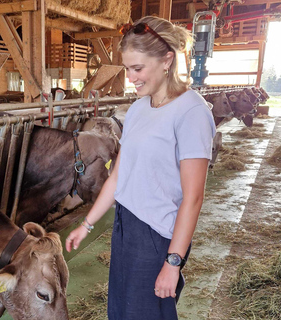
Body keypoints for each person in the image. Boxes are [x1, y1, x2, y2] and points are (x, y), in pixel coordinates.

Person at [65, 16, 216, 320]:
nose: (131, 78)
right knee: (121, 312)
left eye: (138, 69)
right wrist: (86, 224)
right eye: (128, 69)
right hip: (125, 227)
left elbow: (193, 198)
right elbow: (118, 176)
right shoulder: (137, 109)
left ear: (166, 61)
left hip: (157, 236)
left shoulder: (192, 112)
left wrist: (172, 263)